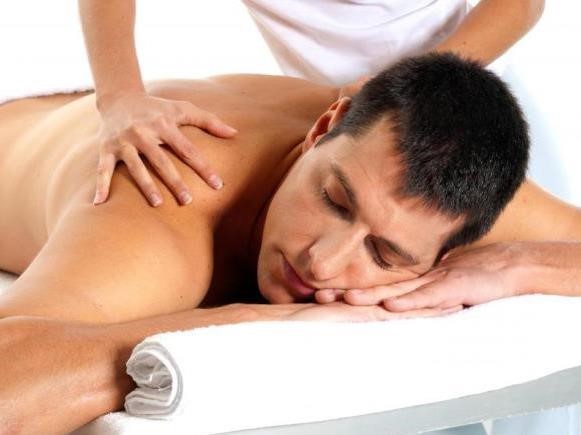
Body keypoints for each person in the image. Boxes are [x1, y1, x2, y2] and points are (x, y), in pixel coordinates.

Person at [0, 54, 579, 433]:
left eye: (384, 255)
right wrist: (247, 321)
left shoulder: (436, 193)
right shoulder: (164, 211)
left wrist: (514, 264)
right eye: (334, 199)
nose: (322, 262)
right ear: (324, 128)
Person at [78, 0, 545, 207]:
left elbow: (522, 3)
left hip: (470, 97)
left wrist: (398, 87)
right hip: (341, 129)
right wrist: (120, 97)